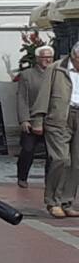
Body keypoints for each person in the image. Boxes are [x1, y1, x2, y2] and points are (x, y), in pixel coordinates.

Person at [16, 43, 62, 191]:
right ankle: (22, 176)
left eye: (50, 57)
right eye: (44, 57)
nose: (47, 60)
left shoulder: (58, 74)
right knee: (28, 150)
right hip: (32, 120)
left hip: (52, 120)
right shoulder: (27, 75)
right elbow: (22, 98)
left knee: (52, 154)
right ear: (37, 59)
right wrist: (24, 119)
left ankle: (50, 181)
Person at [47, 47, 78, 218]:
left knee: (76, 163)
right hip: (59, 117)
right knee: (61, 159)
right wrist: (37, 119)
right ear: (74, 56)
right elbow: (44, 94)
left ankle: (67, 201)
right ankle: (53, 202)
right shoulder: (57, 68)